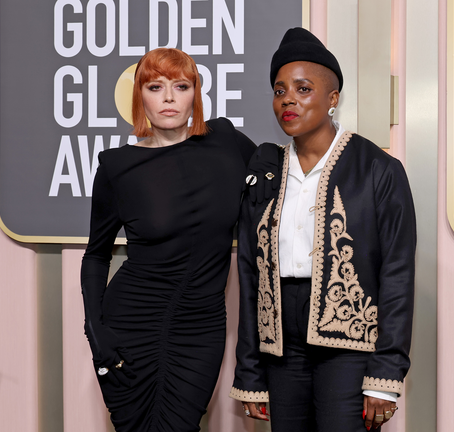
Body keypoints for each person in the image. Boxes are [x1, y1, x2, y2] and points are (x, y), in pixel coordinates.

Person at [229, 28, 417, 431]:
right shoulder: (265, 172)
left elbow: (397, 273)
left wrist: (385, 376)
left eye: (303, 88)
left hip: (349, 345)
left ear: (333, 99)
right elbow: (249, 272)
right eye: (280, 91)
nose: (288, 101)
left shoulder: (376, 169)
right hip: (281, 346)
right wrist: (250, 372)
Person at [80, 48, 257, 432]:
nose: (169, 97)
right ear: (140, 96)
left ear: (196, 93)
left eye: (181, 85)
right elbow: (96, 256)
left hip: (202, 329)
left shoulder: (227, 142)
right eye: (155, 86)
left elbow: (279, 183)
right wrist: (96, 330)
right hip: (130, 326)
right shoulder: (117, 166)